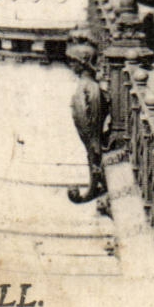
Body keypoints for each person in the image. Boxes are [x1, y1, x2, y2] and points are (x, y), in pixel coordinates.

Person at [67, 42, 109, 202]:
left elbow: (94, 120)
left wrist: (94, 145)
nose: (71, 65)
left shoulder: (90, 87)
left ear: (83, 63)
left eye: (74, 61)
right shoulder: (86, 85)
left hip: (93, 144)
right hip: (90, 143)